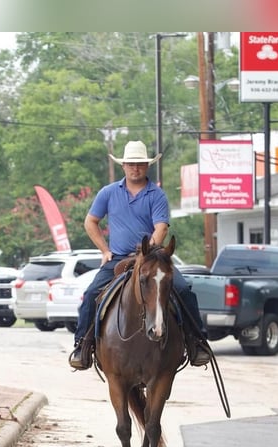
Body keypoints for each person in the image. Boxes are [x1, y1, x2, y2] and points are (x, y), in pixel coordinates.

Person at [68, 140, 213, 371]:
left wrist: (147, 252)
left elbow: (161, 228)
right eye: (131, 164)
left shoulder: (156, 195)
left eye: (141, 164)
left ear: (147, 166)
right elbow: (90, 222)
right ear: (123, 165)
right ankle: (82, 345)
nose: (136, 168)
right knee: (92, 293)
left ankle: (197, 342)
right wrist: (105, 250)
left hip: (152, 259)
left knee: (184, 291)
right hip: (117, 259)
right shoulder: (108, 193)